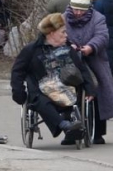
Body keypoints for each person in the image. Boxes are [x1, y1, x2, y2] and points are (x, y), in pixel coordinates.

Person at [10, 13, 97, 145]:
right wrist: (19, 94)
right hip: (41, 93)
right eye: (62, 32)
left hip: (68, 91)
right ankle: (64, 125)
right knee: (42, 101)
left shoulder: (68, 49)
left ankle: (69, 127)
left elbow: (82, 70)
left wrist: (90, 90)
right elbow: (17, 72)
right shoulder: (31, 50)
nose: (66, 35)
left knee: (72, 97)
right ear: (51, 33)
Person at [64, 0, 113, 144]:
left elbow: (103, 36)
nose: (78, 13)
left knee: (98, 90)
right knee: (67, 90)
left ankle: (98, 133)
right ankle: (70, 132)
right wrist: (70, 45)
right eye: (75, 9)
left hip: (94, 59)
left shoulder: (98, 18)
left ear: (88, 9)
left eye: (82, 10)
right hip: (70, 60)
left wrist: (91, 47)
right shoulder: (64, 18)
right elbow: (60, 35)